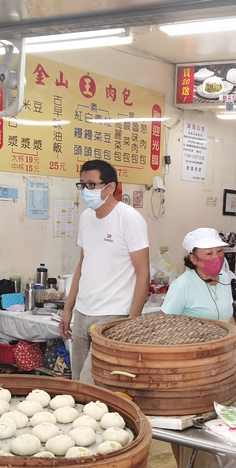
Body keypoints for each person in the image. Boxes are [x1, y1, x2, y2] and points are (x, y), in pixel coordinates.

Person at [59, 160, 150, 381]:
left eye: (91, 185)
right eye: (82, 185)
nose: (85, 191)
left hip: (113, 314)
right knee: (78, 379)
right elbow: (82, 264)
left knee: (97, 381)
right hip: (82, 312)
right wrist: (68, 308)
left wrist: (132, 323)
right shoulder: (86, 217)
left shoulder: (129, 218)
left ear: (110, 188)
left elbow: (143, 274)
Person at [161, 228, 235, 468]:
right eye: (209, 253)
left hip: (220, 362)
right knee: (187, 421)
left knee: (215, 417)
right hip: (189, 364)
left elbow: (228, 316)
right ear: (193, 258)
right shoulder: (182, 286)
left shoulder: (225, 278)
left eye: (219, 251)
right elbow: (164, 324)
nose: (216, 257)